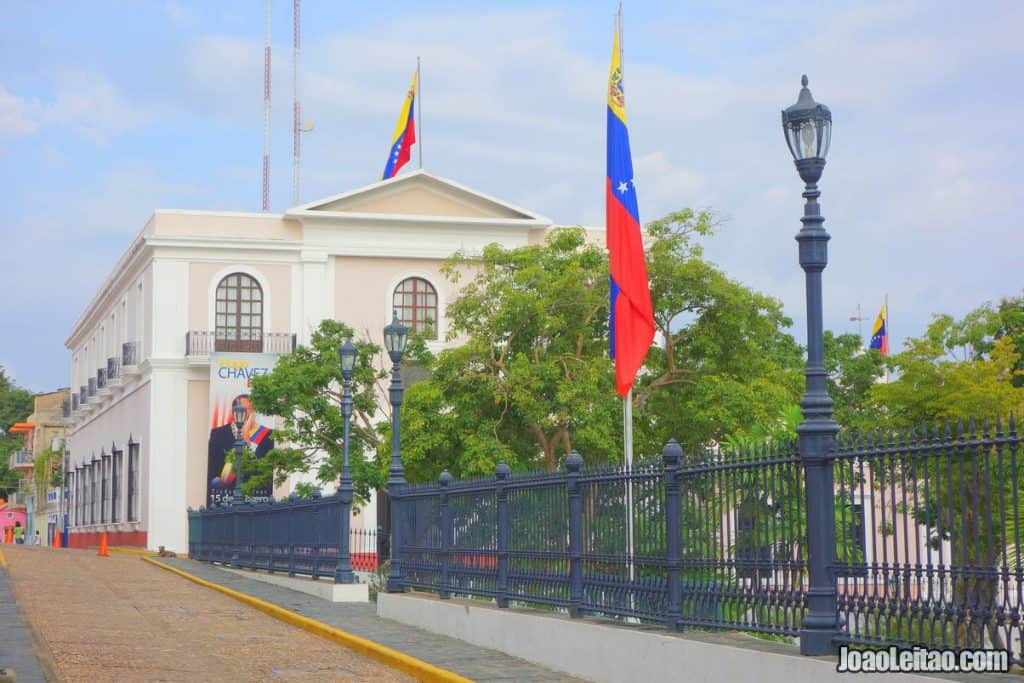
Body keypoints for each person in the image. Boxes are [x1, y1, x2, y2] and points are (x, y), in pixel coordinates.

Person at [207, 394, 274, 507]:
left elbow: (265, 469)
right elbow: (213, 471)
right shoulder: (218, 434)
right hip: (224, 498)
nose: (249, 413)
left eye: (252, 410)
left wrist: (247, 438)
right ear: (234, 412)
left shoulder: (267, 435)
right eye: (245, 409)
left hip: (256, 499)